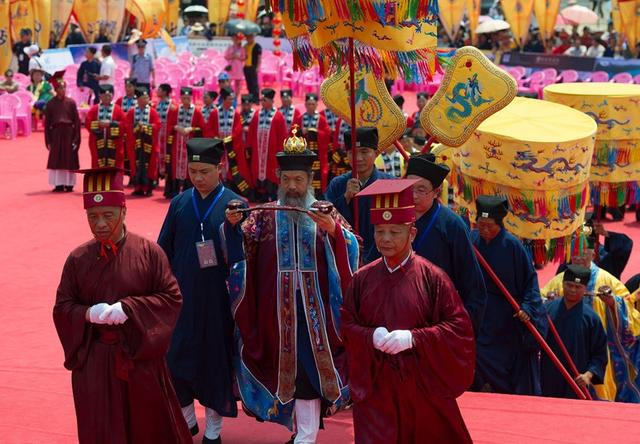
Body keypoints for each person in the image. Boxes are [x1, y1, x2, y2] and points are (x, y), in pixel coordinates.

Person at [225, 129, 359, 443]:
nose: (293, 187)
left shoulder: (326, 212)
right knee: (291, 373)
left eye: (299, 180)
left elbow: (354, 248)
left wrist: (335, 233)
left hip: (319, 314)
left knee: (311, 374)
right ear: (278, 178)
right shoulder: (264, 215)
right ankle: (301, 432)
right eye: (287, 180)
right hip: (277, 312)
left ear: (309, 179)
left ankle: (307, 437)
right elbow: (242, 250)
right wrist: (231, 227)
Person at [53, 167, 191, 444]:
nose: (100, 224)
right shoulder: (78, 259)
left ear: (123, 212)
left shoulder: (148, 252)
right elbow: (62, 308)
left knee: (145, 427)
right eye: (93, 217)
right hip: (93, 363)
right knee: (100, 428)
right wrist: (87, 314)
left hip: (139, 359)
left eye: (108, 215)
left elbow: (171, 297)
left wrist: (130, 308)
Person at [341, 178, 475, 443]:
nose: (386, 239)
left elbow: (459, 328)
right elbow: (346, 324)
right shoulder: (362, 279)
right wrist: (370, 336)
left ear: (411, 233)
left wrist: (414, 339)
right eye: (380, 231)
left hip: (421, 388)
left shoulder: (433, 278)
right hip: (376, 391)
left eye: (395, 232)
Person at [158, 138, 245, 443]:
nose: (198, 177)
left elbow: (243, 257)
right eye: (193, 171)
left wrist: (234, 229)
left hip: (218, 300)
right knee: (175, 358)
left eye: (204, 171)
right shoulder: (180, 203)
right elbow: (163, 248)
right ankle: (185, 418)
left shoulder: (234, 205)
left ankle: (213, 430)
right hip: (182, 297)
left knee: (213, 362)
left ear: (219, 168)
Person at [542, 234, 640, 402]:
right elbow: (541, 306)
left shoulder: (609, 281)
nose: (578, 257)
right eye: (574, 252)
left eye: (583, 252)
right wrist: (547, 302)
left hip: (598, 348)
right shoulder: (559, 281)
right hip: (562, 349)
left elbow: (631, 315)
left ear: (593, 254)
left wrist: (612, 304)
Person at [470, 195, 545, 395]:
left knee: (505, 358)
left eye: (489, 226)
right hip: (479, 312)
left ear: (500, 224)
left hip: (505, 315)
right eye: (481, 224)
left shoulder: (512, 246)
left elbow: (530, 282)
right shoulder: (471, 241)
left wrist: (527, 308)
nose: (484, 230)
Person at [405, 153, 486, 332]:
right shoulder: (396, 217)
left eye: (421, 190)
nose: (414, 196)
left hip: (438, 318)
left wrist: (463, 329)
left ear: (436, 191)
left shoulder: (451, 224)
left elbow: (472, 284)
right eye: (409, 188)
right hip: (401, 314)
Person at [326, 127, 394, 263]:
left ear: (376, 153)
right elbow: (327, 221)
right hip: (345, 255)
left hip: (381, 256)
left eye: (364, 152)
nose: (359, 158)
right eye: (352, 153)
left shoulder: (389, 184)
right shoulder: (337, 184)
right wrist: (345, 198)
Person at [541, 265, 608, 400]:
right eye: (569, 285)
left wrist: (588, 375)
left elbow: (599, 354)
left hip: (576, 382)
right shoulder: (547, 310)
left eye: (578, 287)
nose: (572, 290)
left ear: (585, 289)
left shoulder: (592, 319)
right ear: (562, 284)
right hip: (547, 378)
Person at [247, 88, 287, 202]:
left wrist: (281, 154)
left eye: (264, 100)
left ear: (271, 101)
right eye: (261, 100)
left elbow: (282, 136)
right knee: (257, 172)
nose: (262, 102)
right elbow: (251, 132)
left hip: (272, 153)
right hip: (258, 153)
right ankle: (260, 195)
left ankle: (272, 196)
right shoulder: (257, 115)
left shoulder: (278, 116)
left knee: (272, 173)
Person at [44, 71, 81, 193]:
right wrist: (48, 140)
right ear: (55, 89)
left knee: (69, 158)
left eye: (64, 87)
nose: (62, 90)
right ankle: (58, 184)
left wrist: (76, 138)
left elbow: (76, 121)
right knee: (57, 158)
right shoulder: (50, 104)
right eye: (60, 88)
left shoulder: (71, 103)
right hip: (56, 134)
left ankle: (69, 184)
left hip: (69, 133)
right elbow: (47, 124)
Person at [211, 87, 252, 197]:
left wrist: (228, 140)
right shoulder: (215, 113)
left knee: (232, 171)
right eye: (230, 99)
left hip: (231, 149)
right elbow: (209, 129)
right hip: (218, 147)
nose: (232, 101)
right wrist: (216, 139)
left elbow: (238, 131)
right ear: (223, 99)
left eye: (233, 99)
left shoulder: (236, 114)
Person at [164, 87, 204, 198]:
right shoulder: (176, 110)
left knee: (189, 167)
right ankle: (174, 190)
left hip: (189, 145)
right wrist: (176, 127)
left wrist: (191, 129)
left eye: (188, 98)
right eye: (184, 98)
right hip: (177, 145)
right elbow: (169, 125)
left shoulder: (196, 111)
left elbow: (201, 128)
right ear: (180, 98)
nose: (186, 100)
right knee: (175, 166)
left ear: (191, 98)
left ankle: (188, 191)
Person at [292, 93, 331, 196]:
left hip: (317, 153)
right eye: (309, 104)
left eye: (313, 104)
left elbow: (327, 134)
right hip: (302, 153)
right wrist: (300, 131)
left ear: (316, 105)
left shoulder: (321, 119)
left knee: (317, 174)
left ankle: (317, 195)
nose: (310, 106)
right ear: (305, 105)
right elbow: (292, 133)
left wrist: (316, 132)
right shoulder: (299, 118)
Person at [126, 87, 161, 196]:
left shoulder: (152, 112)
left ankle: (148, 188)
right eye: (143, 97)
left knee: (149, 165)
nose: (146, 99)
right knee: (136, 165)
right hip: (135, 144)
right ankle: (138, 188)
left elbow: (157, 125)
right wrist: (136, 127)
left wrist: (146, 127)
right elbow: (126, 125)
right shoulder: (132, 111)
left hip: (149, 143)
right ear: (138, 99)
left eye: (147, 97)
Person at [85, 85, 127, 169]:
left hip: (114, 143)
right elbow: (87, 122)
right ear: (100, 96)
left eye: (109, 95)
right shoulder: (94, 109)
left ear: (112, 96)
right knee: (98, 162)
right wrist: (98, 124)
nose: (107, 98)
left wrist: (111, 124)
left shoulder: (118, 110)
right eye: (104, 96)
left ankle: (114, 182)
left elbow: (124, 124)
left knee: (115, 163)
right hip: (98, 142)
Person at [154, 83, 177, 181]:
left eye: (159, 90)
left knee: (167, 154)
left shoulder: (172, 105)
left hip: (167, 134)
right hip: (158, 133)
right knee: (157, 153)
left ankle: (167, 176)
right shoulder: (156, 104)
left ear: (164, 92)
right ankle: (157, 175)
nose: (157, 91)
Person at [224, 33, 246, 97]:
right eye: (234, 38)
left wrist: (238, 57)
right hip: (231, 67)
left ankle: (236, 96)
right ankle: (229, 95)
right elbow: (226, 57)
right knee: (228, 82)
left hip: (239, 67)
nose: (235, 40)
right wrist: (232, 56)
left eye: (237, 39)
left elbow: (244, 58)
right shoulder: (230, 47)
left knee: (238, 83)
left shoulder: (242, 48)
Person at [243, 33, 262, 103]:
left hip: (253, 67)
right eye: (247, 37)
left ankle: (256, 98)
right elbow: (243, 56)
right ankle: (250, 97)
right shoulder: (245, 46)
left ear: (253, 37)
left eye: (250, 37)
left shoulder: (257, 46)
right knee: (249, 83)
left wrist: (258, 67)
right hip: (246, 67)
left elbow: (259, 58)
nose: (248, 39)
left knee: (254, 84)